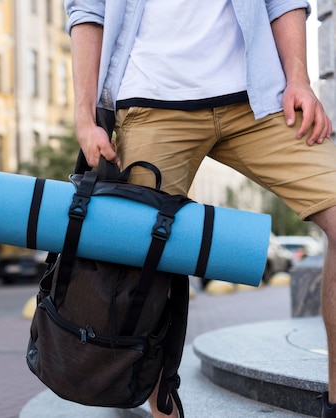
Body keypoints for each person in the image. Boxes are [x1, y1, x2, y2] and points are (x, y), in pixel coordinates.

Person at [64, 1, 336, 417]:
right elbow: (88, 10)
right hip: (152, 102)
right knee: (142, 265)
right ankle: (164, 411)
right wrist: (85, 116)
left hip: (259, 100)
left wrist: (298, 78)